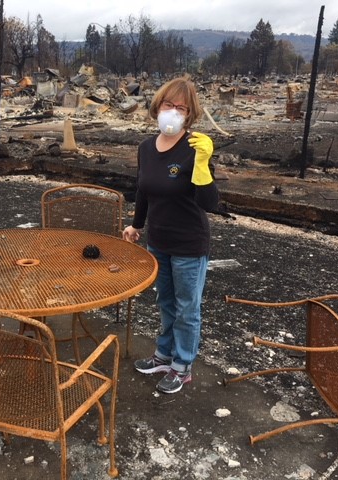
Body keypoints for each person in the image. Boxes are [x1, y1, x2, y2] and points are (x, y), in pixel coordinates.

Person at [123, 77, 219, 394]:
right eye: (168, 105)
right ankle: (164, 355)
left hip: (189, 243)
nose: (173, 112)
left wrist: (203, 163)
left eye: (181, 108)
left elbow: (209, 203)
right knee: (165, 302)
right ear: (158, 106)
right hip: (158, 241)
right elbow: (144, 191)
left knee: (187, 309)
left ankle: (183, 365)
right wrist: (137, 225)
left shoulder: (194, 149)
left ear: (189, 115)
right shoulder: (146, 148)